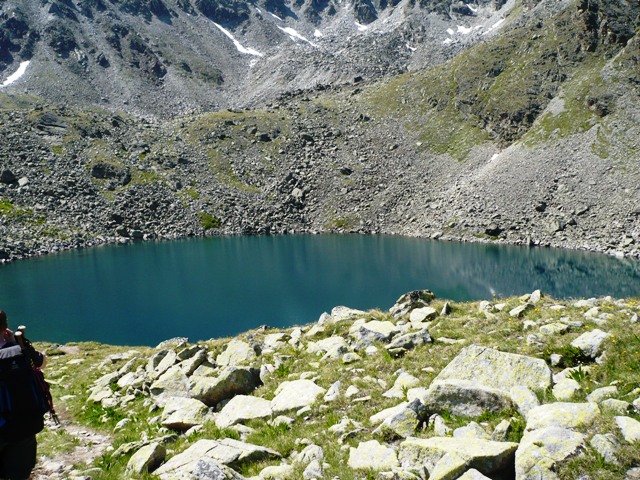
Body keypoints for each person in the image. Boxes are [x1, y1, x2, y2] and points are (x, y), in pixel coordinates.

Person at [0, 309, 46, 480]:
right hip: (23, 426)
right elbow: (42, 363)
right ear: (5, 329)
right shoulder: (21, 351)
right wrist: (14, 341)